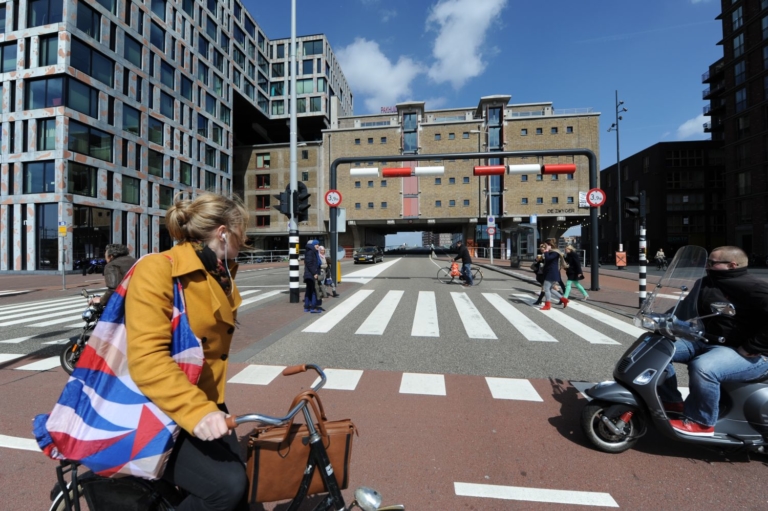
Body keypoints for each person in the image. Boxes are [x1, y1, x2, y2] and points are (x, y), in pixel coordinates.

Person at [124, 193, 249, 510]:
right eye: (242, 232)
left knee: (239, 484)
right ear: (223, 233)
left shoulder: (219, 274)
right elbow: (147, 359)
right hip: (156, 409)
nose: (245, 241)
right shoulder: (158, 269)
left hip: (206, 399)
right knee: (227, 487)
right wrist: (198, 412)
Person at [659, 246, 768, 436]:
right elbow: (684, 309)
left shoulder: (756, 289)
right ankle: (672, 400)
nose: (706, 265)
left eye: (711, 263)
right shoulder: (705, 283)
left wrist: (752, 346)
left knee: (704, 367)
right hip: (704, 340)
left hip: (742, 352)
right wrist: (662, 320)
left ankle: (702, 422)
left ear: (732, 265)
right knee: (658, 349)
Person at [539, 242, 566, 310]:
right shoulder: (551, 252)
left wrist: (546, 251)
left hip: (552, 273)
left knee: (546, 289)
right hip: (549, 273)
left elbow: (548, 259)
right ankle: (564, 300)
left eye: (547, 246)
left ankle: (548, 305)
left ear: (550, 245)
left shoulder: (555, 253)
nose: (545, 247)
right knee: (550, 289)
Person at [304, 240, 322, 313]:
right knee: (314, 290)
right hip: (310, 274)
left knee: (309, 290)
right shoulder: (311, 252)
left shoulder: (313, 251)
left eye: (318, 244)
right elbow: (309, 263)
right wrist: (315, 273)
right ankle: (313, 307)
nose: (318, 245)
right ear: (313, 245)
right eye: (316, 244)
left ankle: (307, 306)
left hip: (310, 274)